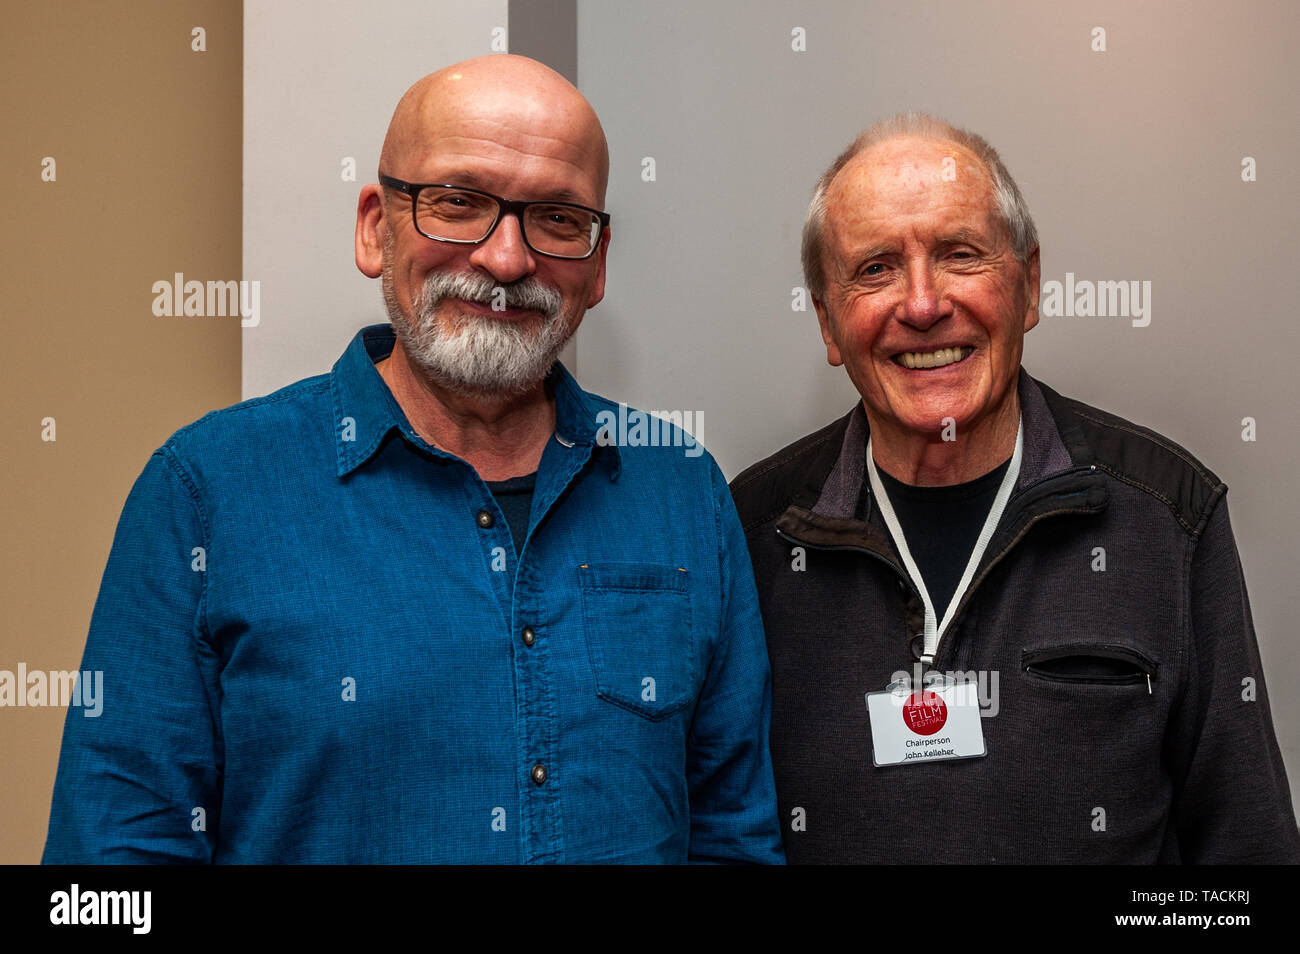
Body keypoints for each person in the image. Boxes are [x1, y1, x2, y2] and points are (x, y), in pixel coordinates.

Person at [44, 55, 783, 864]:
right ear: (374, 227)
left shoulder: (681, 490)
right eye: (458, 203)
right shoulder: (207, 493)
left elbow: (734, 836)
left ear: (599, 264)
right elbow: (112, 864)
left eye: (559, 219)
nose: (507, 259)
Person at [730, 113, 1300, 863]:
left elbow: (1243, 863)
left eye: (960, 254)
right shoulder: (750, 532)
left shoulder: (1168, 517)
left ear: (1028, 285)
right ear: (829, 325)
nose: (924, 304)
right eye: (875, 269)